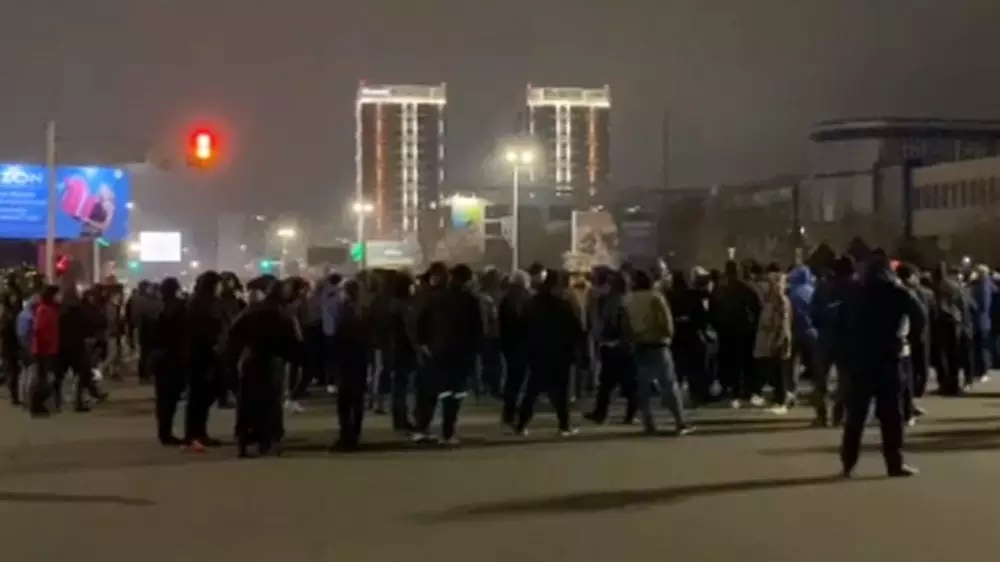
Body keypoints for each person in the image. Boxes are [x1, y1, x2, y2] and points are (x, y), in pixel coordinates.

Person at [840, 253, 918, 478]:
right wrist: (905, 339)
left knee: (856, 415)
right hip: (889, 358)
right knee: (891, 416)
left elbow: (841, 324)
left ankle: (848, 461)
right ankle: (894, 463)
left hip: (860, 359)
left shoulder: (854, 292)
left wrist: (845, 353)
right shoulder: (897, 292)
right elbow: (920, 315)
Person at [227, 276, 300, 457]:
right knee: (271, 402)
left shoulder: (251, 310)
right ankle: (268, 440)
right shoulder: (283, 314)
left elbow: (233, 333)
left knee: (247, 400)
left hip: (250, 358)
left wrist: (234, 356)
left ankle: (243, 438)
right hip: (273, 361)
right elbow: (294, 340)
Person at [516, 269, 581, 437]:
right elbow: (574, 329)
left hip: (537, 351)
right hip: (559, 352)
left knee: (532, 390)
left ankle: (521, 424)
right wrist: (575, 349)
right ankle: (564, 426)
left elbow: (523, 327)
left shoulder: (532, 303)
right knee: (561, 391)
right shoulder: (563, 304)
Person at [627, 270, 691, 435]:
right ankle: (680, 421)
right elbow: (666, 322)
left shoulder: (629, 300)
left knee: (643, 387)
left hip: (639, 344)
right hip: (657, 343)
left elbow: (625, 323)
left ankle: (648, 423)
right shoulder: (656, 297)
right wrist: (668, 336)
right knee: (668, 384)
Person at [586, 270, 638, 425]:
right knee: (629, 384)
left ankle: (600, 414)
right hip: (625, 348)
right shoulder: (628, 299)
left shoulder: (613, 301)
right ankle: (629, 414)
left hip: (613, 346)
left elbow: (610, 324)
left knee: (607, 384)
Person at [184, 271, 225, 451]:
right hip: (201, 354)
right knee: (199, 396)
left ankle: (198, 433)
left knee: (202, 396)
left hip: (201, 353)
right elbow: (203, 330)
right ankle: (194, 434)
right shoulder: (202, 304)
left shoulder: (200, 301)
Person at [331, 279, 372, 451]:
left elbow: (338, 337)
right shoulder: (364, 311)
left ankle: (346, 435)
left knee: (345, 401)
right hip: (359, 360)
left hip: (345, 361)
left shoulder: (344, 311)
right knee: (357, 400)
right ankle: (355, 433)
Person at [151, 278, 186, 445]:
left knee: (163, 397)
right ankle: (166, 432)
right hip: (173, 357)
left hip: (159, 356)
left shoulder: (157, 308)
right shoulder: (178, 309)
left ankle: (164, 431)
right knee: (170, 398)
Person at [498, 270, 532, 426]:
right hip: (519, 344)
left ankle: (509, 410)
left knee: (513, 379)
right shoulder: (520, 299)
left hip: (510, 345)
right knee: (516, 379)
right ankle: (510, 411)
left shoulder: (506, 299)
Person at [30, 286, 61, 417]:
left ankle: (39, 405)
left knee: (45, 378)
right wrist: (48, 343)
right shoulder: (44, 310)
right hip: (44, 349)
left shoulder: (49, 309)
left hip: (48, 348)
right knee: (43, 379)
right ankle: (37, 405)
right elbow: (40, 330)